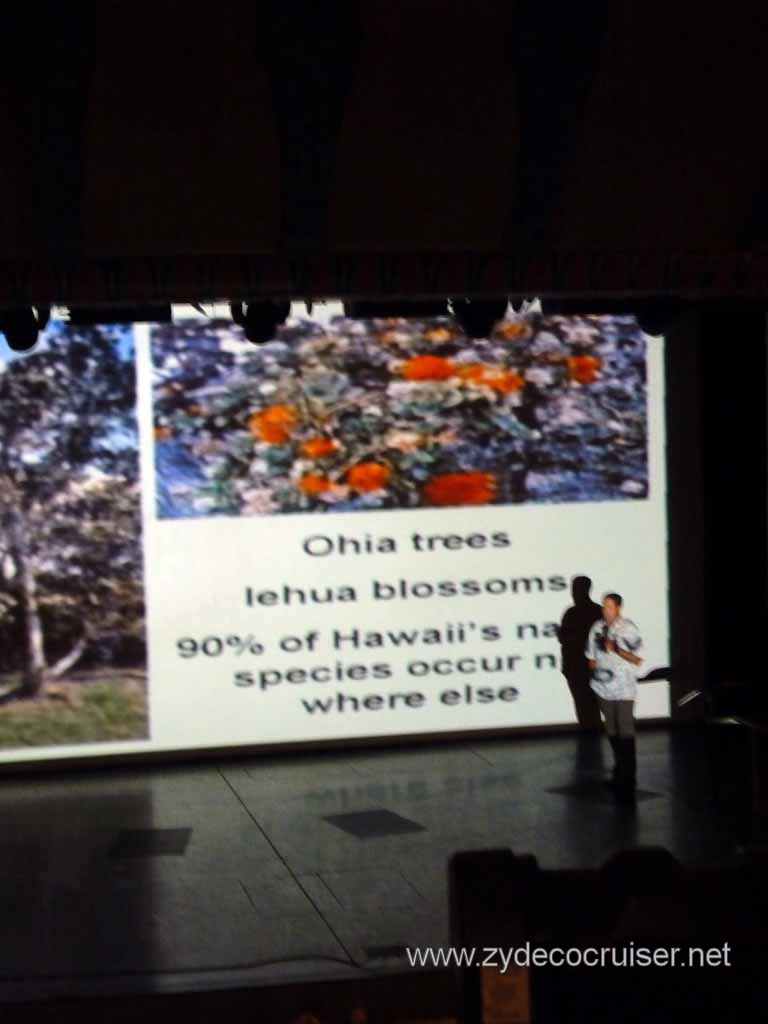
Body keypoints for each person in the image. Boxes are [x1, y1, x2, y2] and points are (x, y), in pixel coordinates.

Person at [585, 593, 644, 801]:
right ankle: (620, 769)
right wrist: (593, 676)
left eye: (609, 607)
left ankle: (629, 776)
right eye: (604, 606)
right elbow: (590, 656)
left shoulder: (628, 628)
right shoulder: (596, 628)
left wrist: (616, 648)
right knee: (611, 729)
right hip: (603, 688)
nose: (605, 610)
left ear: (618, 608)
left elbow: (637, 659)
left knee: (625, 729)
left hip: (624, 688)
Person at [557, 576, 603, 730]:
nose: (574, 593)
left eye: (576, 589)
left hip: (585, 667)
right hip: (576, 667)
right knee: (585, 706)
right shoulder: (595, 611)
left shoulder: (580, 612)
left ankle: (591, 733)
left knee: (587, 705)